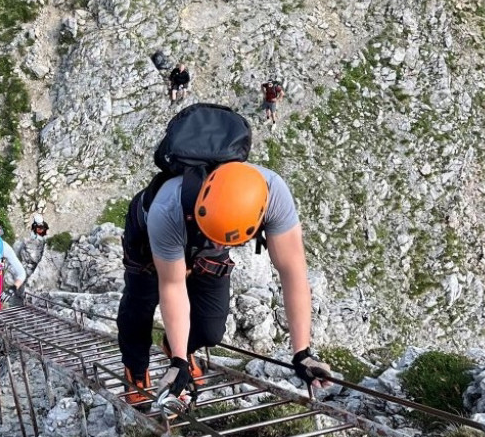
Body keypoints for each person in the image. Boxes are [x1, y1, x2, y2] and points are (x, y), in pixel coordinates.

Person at [116, 159, 330, 411]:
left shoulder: (273, 193)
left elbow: (293, 272)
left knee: (210, 329)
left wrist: (302, 353)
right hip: (150, 238)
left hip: (211, 240)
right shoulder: (167, 209)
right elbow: (172, 286)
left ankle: (177, 344)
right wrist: (179, 363)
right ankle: (136, 369)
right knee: (141, 299)